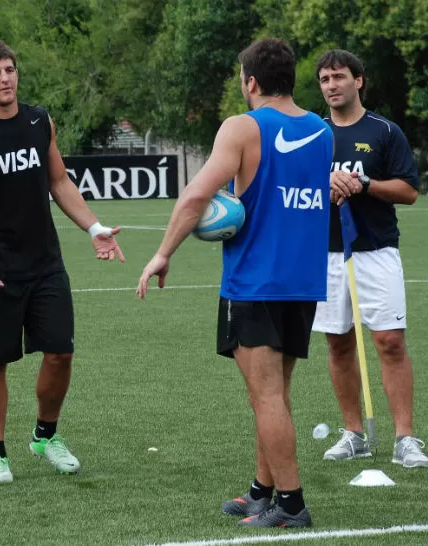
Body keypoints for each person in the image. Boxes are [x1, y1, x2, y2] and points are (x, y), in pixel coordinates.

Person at [137, 38, 332, 529]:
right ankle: (261, 492)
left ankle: (291, 505)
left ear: (251, 81)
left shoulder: (242, 128)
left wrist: (163, 253)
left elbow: (196, 196)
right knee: (274, 394)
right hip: (303, 280)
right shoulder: (321, 130)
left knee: (266, 396)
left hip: (255, 281)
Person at [0, 39, 124, 484]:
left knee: (61, 352)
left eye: (10, 69)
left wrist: (94, 227)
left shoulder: (39, 120)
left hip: (45, 261)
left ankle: (45, 436)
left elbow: (59, 181)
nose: (5, 78)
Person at [311, 49, 428, 468]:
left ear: (358, 81)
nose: (331, 86)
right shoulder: (313, 134)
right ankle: (353, 433)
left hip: (376, 250)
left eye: (339, 77)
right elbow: (297, 193)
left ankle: (405, 438)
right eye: (325, 79)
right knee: (338, 343)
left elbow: (409, 191)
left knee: (390, 342)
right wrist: (323, 184)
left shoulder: (384, 132)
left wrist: (363, 184)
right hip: (325, 254)